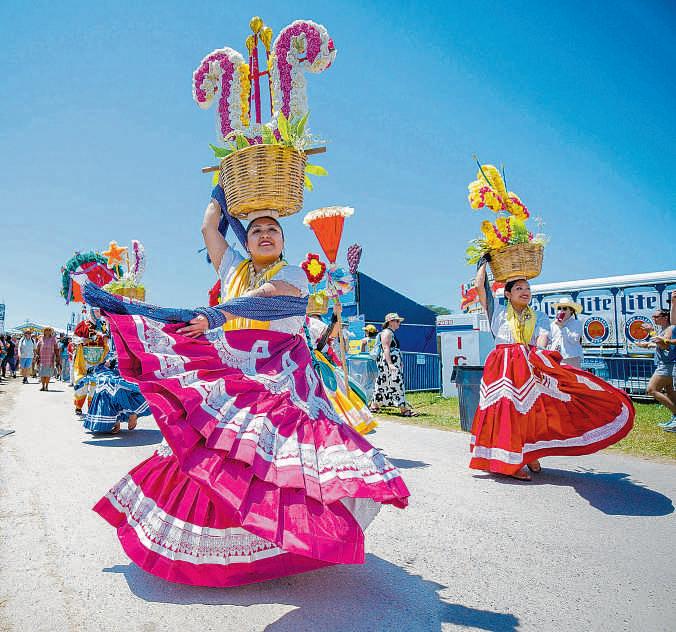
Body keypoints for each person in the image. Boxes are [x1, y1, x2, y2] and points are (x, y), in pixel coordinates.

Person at [87, 192, 409, 588]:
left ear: (283, 241)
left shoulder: (293, 274)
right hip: (235, 372)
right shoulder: (232, 268)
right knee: (212, 449)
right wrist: (222, 185)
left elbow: (266, 299)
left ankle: (289, 540)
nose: (265, 234)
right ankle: (219, 550)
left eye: (273, 229)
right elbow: (209, 226)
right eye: (256, 230)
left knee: (275, 457)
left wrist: (215, 315)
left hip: (282, 378)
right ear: (247, 239)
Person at [471, 261, 634, 481]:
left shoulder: (538, 316)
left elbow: (543, 336)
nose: (525, 291)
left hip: (528, 362)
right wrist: (483, 261)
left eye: (528, 288)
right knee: (505, 411)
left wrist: (540, 354)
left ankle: (529, 454)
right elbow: (479, 286)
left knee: (531, 412)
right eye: (519, 288)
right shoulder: (497, 311)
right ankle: (511, 461)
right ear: (507, 294)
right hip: (502, 366)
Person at [307, 304, 377, 435]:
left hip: (317, 362)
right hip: (302, 360)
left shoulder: (313, 324)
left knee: (332, 390)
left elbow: (329, 336)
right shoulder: (293, 323)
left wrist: (335, 315)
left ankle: (334, 422)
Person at [82, 354, 150, 434]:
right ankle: (115, 420)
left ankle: (132, 413)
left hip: (127, 365)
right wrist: (108, 361)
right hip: (109, 366)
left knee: (123, 389)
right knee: (105, 390)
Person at [369, 313, 417, 417]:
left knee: (383, 384)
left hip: (388, 364)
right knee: (396, 383)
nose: (399, 323)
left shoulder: (389, 332)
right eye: (397, 321)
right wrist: (390, 364)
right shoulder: (387, 332)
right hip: (388, 364)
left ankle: (374, 406)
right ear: (390, 322)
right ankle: (403, 409)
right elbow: (386, 348)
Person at [636, 306, 676, 430]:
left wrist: (651, 331)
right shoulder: (664, 329)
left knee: (651, 390)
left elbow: (665, 346)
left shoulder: (670, 328)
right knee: (671, 394)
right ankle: (674, 420)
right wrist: (648, 345)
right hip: (666, 364)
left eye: (656, 316)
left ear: (665, 317)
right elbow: (663, 345)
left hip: (667, 365)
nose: (653, 318)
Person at [549, 298, 584, 368]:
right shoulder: (553, 324)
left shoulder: (576, 323)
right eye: (559, 308)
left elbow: (574, 340)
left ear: (571, 310)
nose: (561, 311)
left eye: (564, 308)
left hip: (571, 358)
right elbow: (550, 341)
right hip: (556, 358)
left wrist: (562, 326)